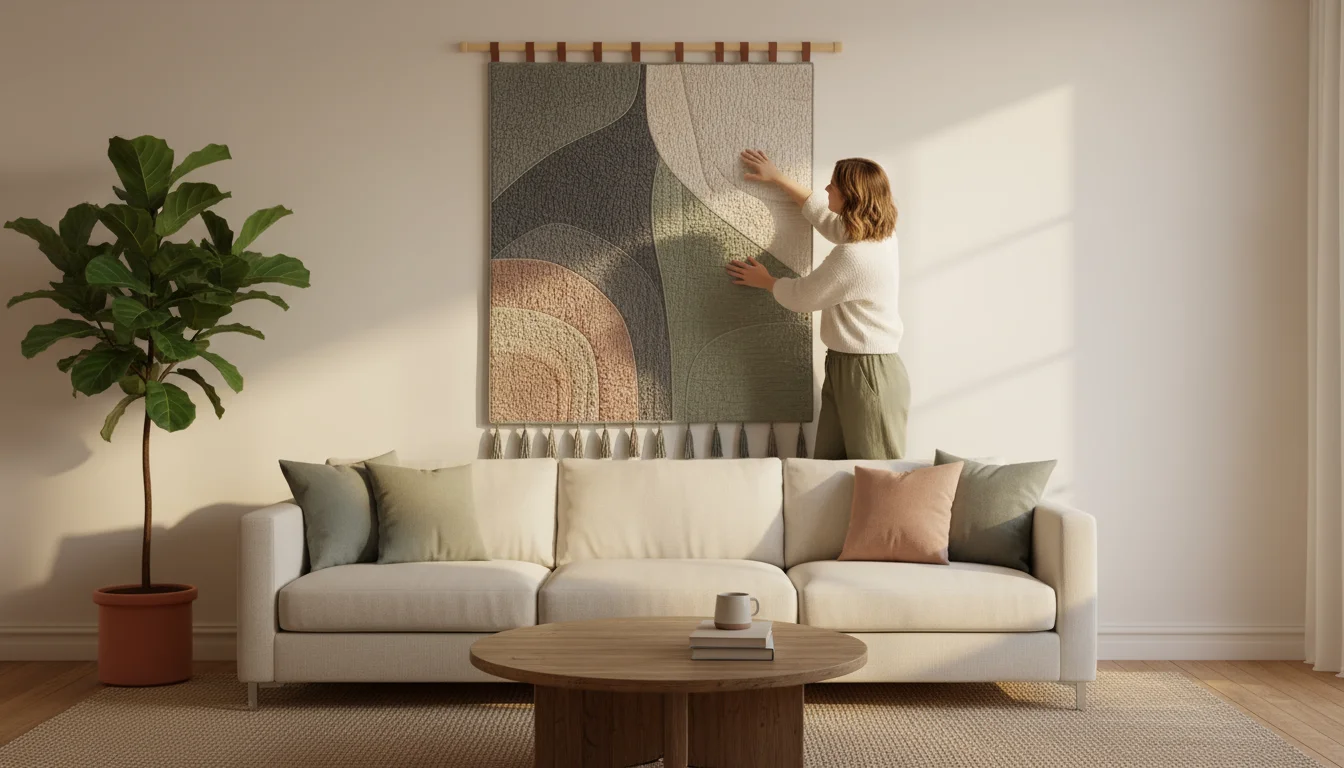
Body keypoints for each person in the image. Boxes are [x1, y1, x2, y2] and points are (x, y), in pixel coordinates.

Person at [726, 150, 908, 459]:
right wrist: (778, 178)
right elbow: (826, 219)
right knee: (830, 467)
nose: (826, 189)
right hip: (850, 365)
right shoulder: (880, 237)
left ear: (850, 197)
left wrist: (766, 281)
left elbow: (802, 297)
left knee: (877, 474)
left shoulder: (854, 257)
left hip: (866, 371)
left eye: (833, 186)